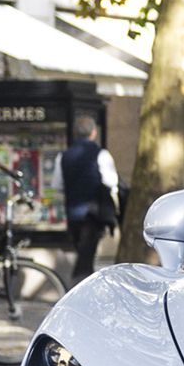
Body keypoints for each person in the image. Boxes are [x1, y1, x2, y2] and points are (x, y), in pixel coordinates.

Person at [61, 115, 118, 281]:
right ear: (94, 133)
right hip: (93, 213)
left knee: (83, 253)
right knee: (86, 257)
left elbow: (58, 184)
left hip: (72, 214)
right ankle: (79, 286)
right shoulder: (101, 154)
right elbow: (111, 181)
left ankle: (82, 283)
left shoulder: (64, 156)